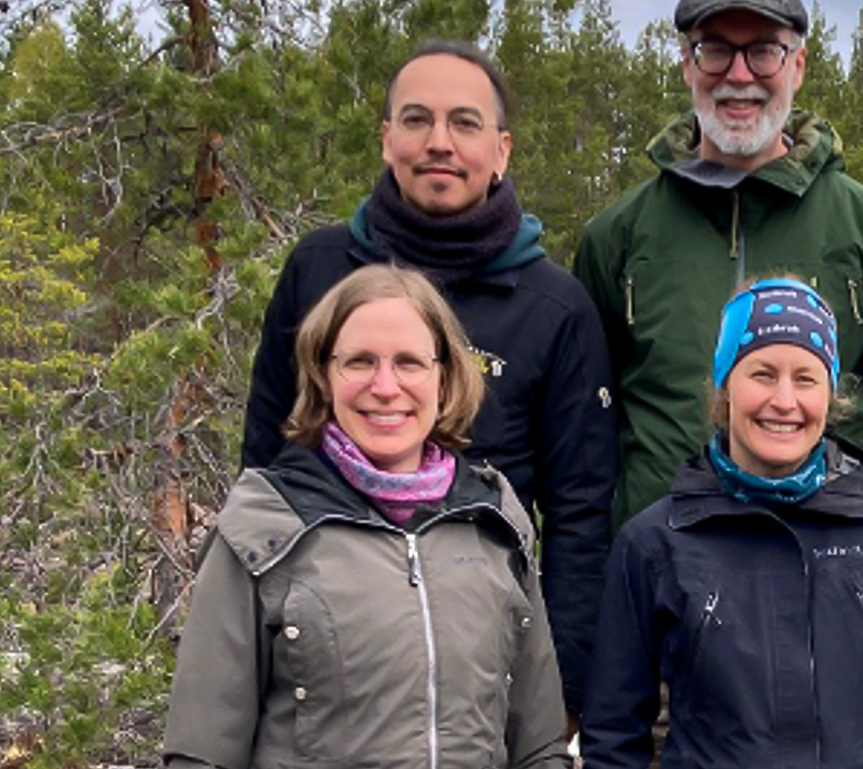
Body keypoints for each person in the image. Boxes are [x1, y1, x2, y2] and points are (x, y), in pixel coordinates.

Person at [146, 265, 584, 769]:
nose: (386, 386)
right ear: (323, 374)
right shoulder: (264, 527)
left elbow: (538, 755)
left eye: (409, 361)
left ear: (445, 377)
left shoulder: (495, 525)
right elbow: (203, 765)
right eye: (359, 362)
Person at [241, 39, 614, 725]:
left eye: (464, 123)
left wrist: (561, 694)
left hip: (481, 649)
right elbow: (264, 463)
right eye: (416, 120)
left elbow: (580, 518)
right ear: (387, 140)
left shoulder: (553, 307)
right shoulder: (318, 271)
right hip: (319, 648)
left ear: (501, 150)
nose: (438, 142)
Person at [581, 278, 863, 769]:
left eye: (806, 378)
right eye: (762, 373)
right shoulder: (653, 543)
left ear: (831, 393)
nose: (783, 401)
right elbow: (612, 740)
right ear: (724, 384)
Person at [573, 0, 863, 531]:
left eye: (763, 50)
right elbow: (587, 434)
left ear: (799, 65)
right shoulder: (617, 238)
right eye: (715, 50)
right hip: (665, 579)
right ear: (686, 63)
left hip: (829, 569)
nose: (739, 75)